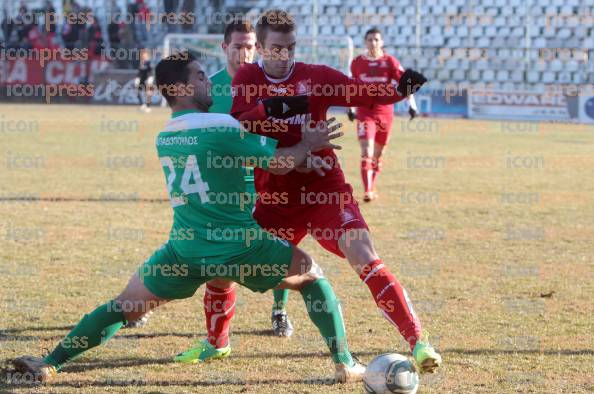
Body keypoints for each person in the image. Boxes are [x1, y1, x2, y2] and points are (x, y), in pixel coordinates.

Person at [11, 51, 366, 384]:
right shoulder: (222, 125)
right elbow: (278, 161)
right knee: (311, 275)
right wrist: (308, 144)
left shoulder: (165, 134)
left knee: (124, 305)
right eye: (199, 75)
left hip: (184, 251)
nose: (208, 81)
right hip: (239, 245)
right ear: (181, 88)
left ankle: (50, 363)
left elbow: (222, 165)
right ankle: (345, 363)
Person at [177, 9, 442, 373]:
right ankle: (217, 343)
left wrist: (400, 90)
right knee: (223, 268)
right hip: (275, 199)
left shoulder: (316, 77)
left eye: (290, 47)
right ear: (263, 48)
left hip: (324, 190)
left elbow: (362, 93)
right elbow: (242, 120)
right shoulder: (249, 76)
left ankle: (418, 342)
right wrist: (297, 138)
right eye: (276, 48)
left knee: (363, 254)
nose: (284, 55)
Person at [348, 27, 418, 201]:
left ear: (382, 42)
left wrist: (412, 105)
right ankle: (368, 190)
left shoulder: (390, 62)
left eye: (376, 39)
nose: (373, 42)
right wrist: (350, 108)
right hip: (365, 113)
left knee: (378, 154)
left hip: (385, 114)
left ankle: (372, 184)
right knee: (367, 150)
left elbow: (406, 82)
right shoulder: (357, 63)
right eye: (370, 39)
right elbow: (350, 86)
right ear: (365, 42)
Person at [134, 48, 154, 112]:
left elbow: (151, 71)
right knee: (137, 91)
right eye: (142, 54)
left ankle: (148, 106)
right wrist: (137, 78)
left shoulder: (149, 62)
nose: (143, 56)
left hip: (148, 78)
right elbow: (139, 72)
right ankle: (142, 105)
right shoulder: (141, 62)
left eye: (145, 54)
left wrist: (150, 79)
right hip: (142, 79)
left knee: (148, 92)